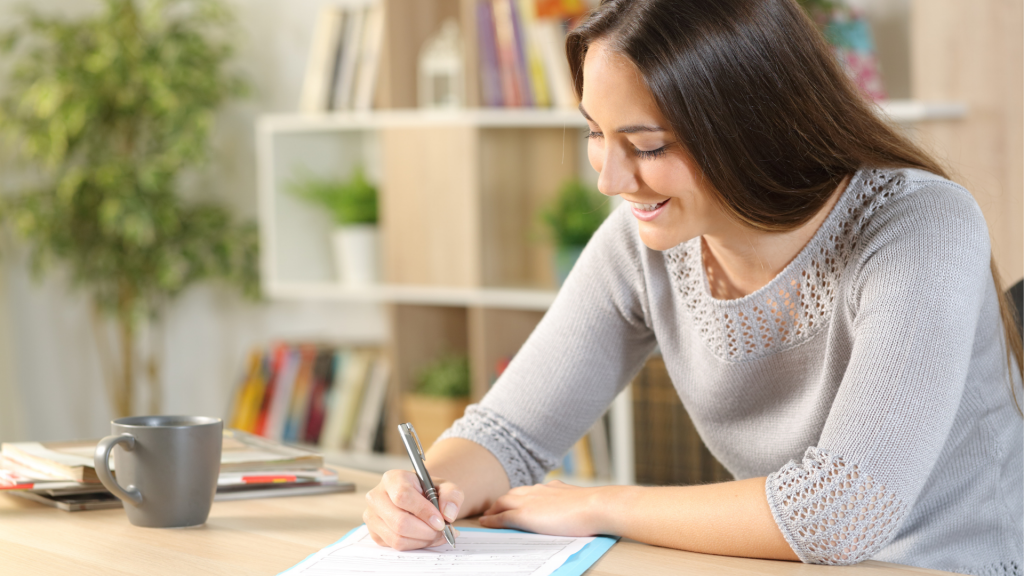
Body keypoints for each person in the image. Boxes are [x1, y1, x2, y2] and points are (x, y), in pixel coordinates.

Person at [362, 0, 1024, 573]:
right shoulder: (646, 243)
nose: (611, 181)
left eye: (646, 146)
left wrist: (597, 503)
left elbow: (842, 512)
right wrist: (429, 493)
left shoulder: (919, 225)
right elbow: (509, 433)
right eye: (597, 134)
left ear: (748, 126)